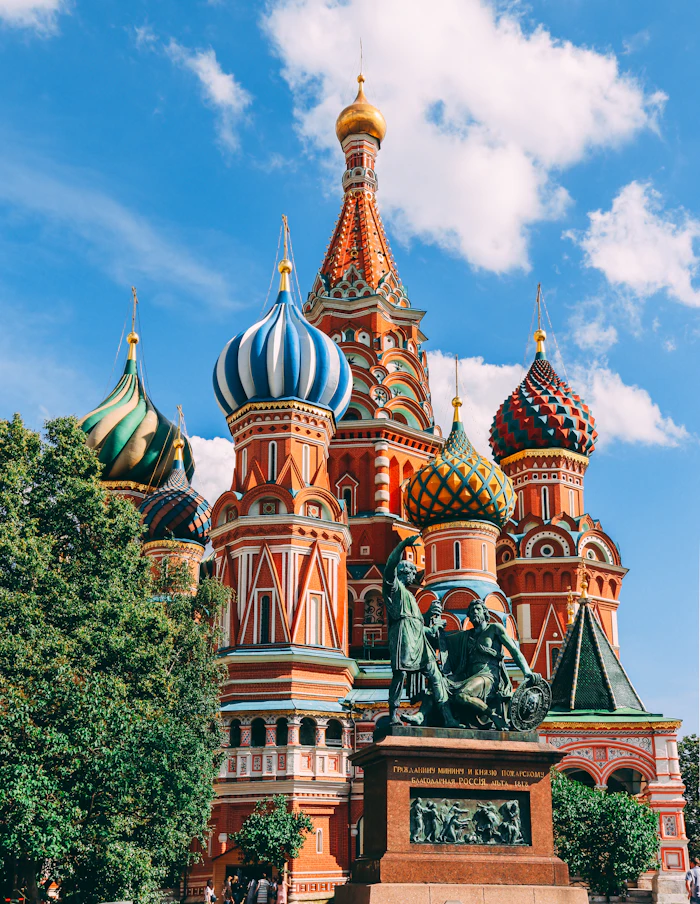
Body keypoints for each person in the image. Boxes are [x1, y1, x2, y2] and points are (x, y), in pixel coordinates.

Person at [383, 535, 457, 727]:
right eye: (411, 573)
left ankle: (448, 716)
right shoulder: (394, 588)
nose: (413, 577)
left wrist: (429, 620)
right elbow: (390, 566)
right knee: (400, 674)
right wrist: (402, 545)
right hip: (403, 637)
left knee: (435, 673)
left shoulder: (409, 595)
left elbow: (415, 622)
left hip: (418, 639)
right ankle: (393, 713)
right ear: (403, 573)